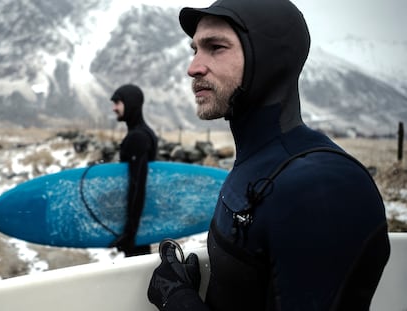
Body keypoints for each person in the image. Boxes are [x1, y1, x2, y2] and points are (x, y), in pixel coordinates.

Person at [147, 0, 390, 310]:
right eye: (194, 49)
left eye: (216, 47)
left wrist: (176, 299)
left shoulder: (321, 187)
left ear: (269, 60)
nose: (193, 67)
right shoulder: (261, 163)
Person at [110, 84, 158, 257]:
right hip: (141, 222)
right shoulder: (144, 133)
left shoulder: (138, 137)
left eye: (117, 102)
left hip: (136, 225)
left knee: (138, 275)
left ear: (130, 103)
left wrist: (130, 233)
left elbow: (138, 185)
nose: (114, 108)